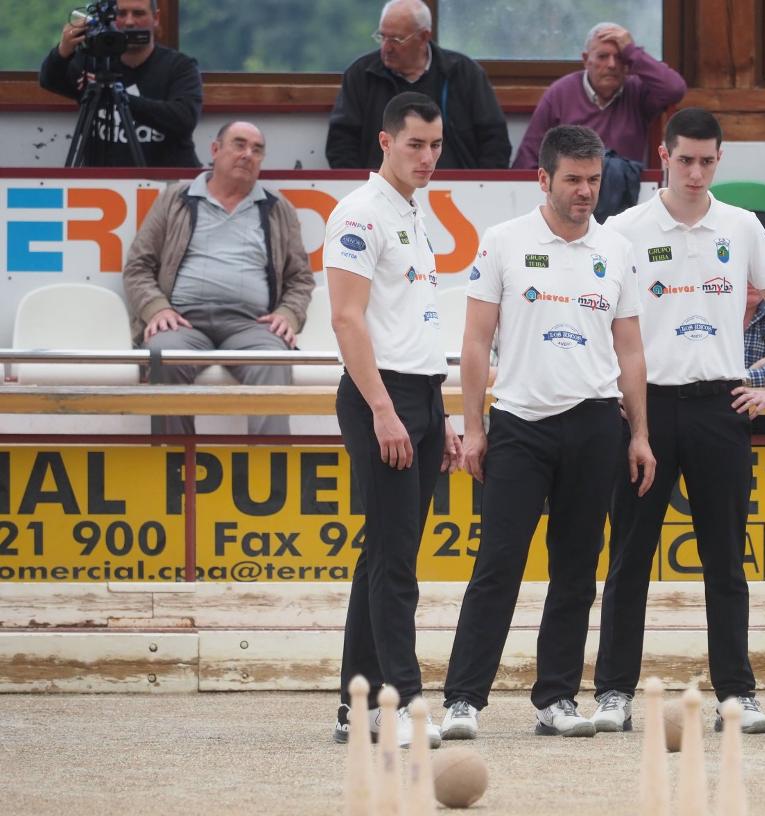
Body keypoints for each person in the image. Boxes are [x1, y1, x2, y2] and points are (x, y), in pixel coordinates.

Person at [440, 125, 655, 740]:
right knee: (498, 565)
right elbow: (476, 343)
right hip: (520, 423)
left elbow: (631, 350)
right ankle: (464, 700)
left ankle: (556, 698)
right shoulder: (503, 241)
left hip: (595, 423)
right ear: (543, 179)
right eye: (573, 180)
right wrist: (474, 428)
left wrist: (639, 434)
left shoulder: (616, 249)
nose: (585, 191)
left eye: (594, 180)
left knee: (577, 571)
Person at [590, 108, 765, 736]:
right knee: (629, 555)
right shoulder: (624, 228)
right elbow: (597, 314)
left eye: (708, 161)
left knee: (725, 559)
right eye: (685, 160)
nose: (696, 172)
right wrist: (619, 400)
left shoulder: (741, 225)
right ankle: (613, 692)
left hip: (720, 405)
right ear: (664, 156)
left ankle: (737, 694)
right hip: (646, 407)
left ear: (719, 160)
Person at [325, 92, 461, 750]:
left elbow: (415, 324)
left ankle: (358, 705)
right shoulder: (359, 213)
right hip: (380, 396)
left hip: (422, 394)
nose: (428, 157)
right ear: (385, 142)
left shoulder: (413, 212)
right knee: (394, 562)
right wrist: (382, 409)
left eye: (435, 146)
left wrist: (443, 412)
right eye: (415, 145)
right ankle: (403, 701)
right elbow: (346, 318)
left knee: (385, 555)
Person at [121, 121, 314, 435]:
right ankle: (175, 462)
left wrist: (288, 314)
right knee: (163, 356)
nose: (247, 154)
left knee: (274, 361)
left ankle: (271, 465)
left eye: (257, 150)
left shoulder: (277, 208)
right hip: (182, 323)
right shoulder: (175, 199)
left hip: (252, 326)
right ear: (215, 150)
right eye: (239, 144)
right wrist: (156, 309)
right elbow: (138, 266)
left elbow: (300, 278)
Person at [326, 0, 510, 171]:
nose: (386, 48)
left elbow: (494, 140)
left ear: (423, 37)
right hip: (381, 185)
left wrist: (479, 185)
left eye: (396, 40)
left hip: (456, 186)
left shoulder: (464, 73)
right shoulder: (361, 75)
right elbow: (341, 142)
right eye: (382, 37)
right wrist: (364, 186)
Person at [38, 0, 202, 167]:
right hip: (103, 179)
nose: (129, 22)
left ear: (156, 18)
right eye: (120, 14)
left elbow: (185, 118)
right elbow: (49, 80)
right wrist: (63, 51)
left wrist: (118, 97)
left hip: (167, 178)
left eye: (138, 13)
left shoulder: (180, 66)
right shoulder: (92, 62)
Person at [511, 23, 686, 169]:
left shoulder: (637, 91)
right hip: (570, 192)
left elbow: (675, 88)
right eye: (603, 56)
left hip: (625, 191)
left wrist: (633, 52)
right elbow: (528, 158)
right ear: (586, 60)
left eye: (620, 57)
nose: (611, 64)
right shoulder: (560, 93)